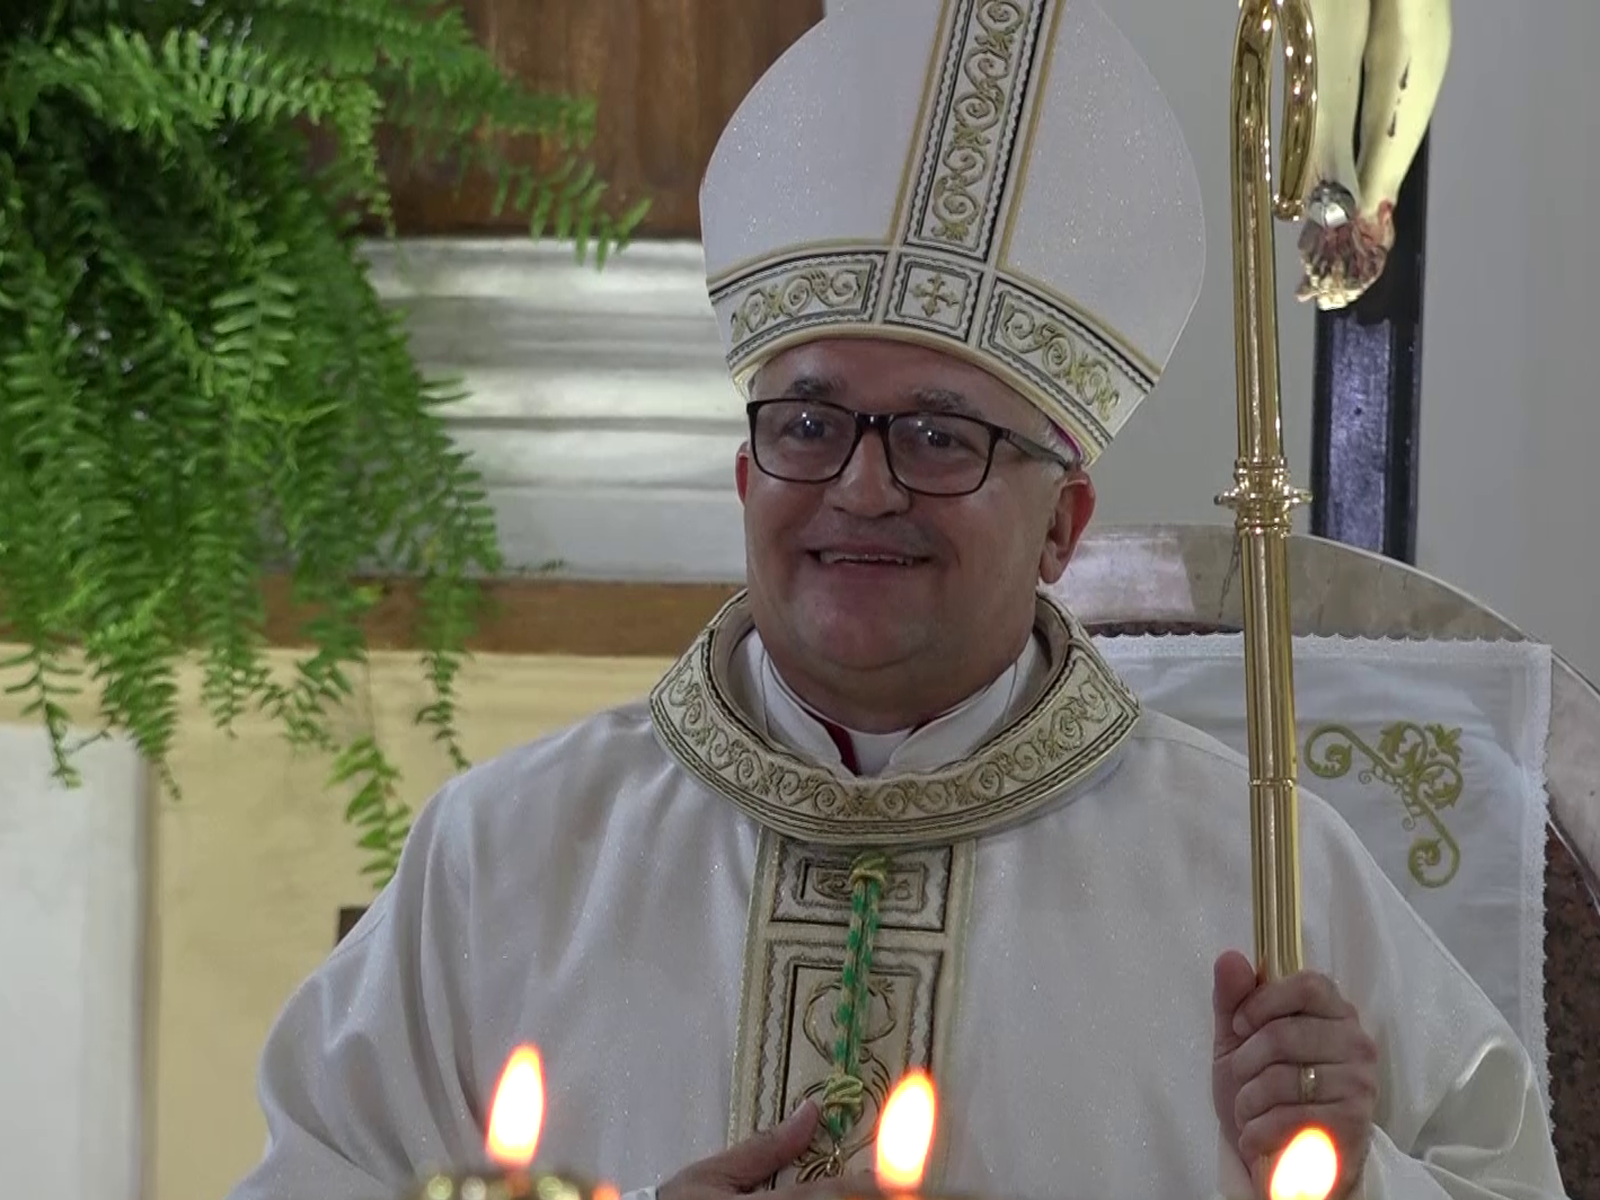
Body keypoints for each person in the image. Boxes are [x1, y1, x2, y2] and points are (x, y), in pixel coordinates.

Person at [226, 2, 1568, 1199]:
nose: (862, 489)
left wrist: (1347, 1179)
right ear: (745, 470)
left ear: (1064, 520)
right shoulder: (508, 860)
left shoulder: (1266, 885)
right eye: (809, 421)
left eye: (940, 436)